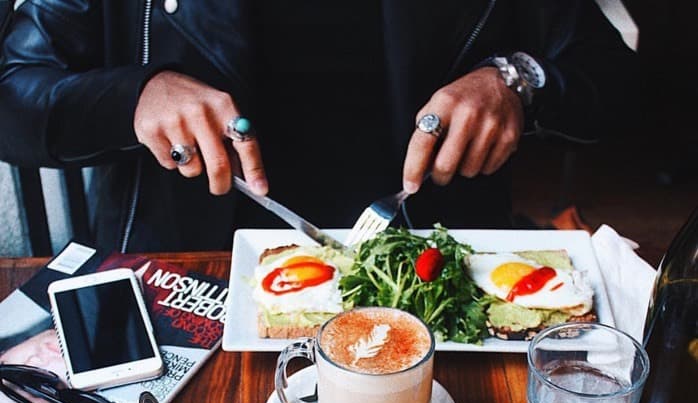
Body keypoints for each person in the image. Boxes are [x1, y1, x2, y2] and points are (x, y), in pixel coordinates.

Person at [0, 1, 636, 253]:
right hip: (199, 279)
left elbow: (617, 80)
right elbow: (13, 94)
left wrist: (516, 79)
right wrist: (132, 97)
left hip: (436, 270)